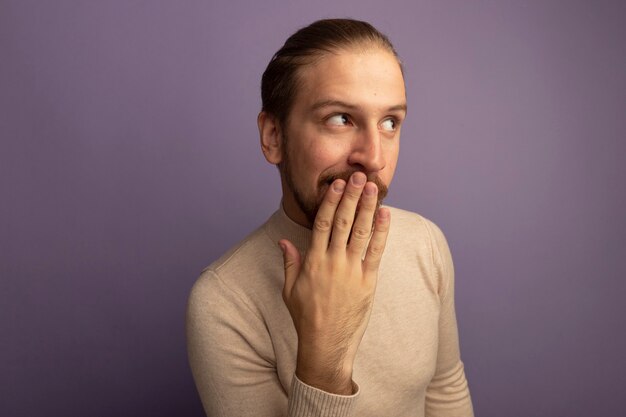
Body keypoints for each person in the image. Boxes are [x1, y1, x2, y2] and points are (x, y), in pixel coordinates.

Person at [186, 18, 473, 417]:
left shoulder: (426, 242)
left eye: (390, 122)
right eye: (340, 118)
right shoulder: (224, 302)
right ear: (273, 136)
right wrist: (325, 362)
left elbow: (445, 391)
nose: (373, 157)